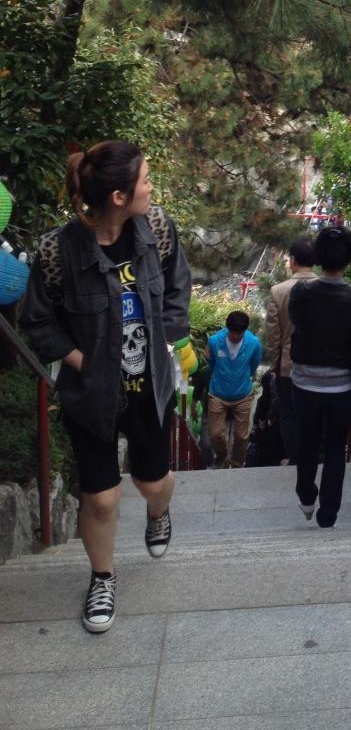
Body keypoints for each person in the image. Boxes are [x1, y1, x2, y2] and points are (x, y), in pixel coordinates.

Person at [21, 141, 193, 633]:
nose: (151, 188)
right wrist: (84, 363)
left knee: (152, 483)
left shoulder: (158, 230)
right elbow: (39, 322)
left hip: (149, 387)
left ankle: (158, 513)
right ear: (118, 196)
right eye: (145, 180)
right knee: (100, 497)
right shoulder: (56, 251)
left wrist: (166, 340)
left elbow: (177, 289)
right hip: (90, 394)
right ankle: (102, 577)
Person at [289, 226, 351, 528]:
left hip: (305, 381)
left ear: (318, 257)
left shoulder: (301, 292)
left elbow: (296, 321)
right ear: (349, 258)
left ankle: (306, 494)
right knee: (336, 446)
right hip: (344, 384)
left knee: (307, 441)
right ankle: (329, 513)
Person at [264, 237, 316, 464]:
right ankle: (315, 456)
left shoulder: (278, 291)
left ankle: (295, 458)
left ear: (293, 260)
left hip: (288, 364)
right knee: (315, 413)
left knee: (288, 413)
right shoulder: (326, 287)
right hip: (320, 363)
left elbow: (273, 336)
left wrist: (275, 365)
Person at [206, 310, 261, 468]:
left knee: (242, 436)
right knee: (215, 433)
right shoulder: (215, 341)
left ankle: (237, 463)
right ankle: (223, 455)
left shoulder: (254, 343)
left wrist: (244, 377)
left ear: (245, 330)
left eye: (240, 333)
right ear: (227, 329)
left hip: (243, 394)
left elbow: (254, 365)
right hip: (218, 393)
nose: (236, 336)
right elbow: (212, 364)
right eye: (233, 332)